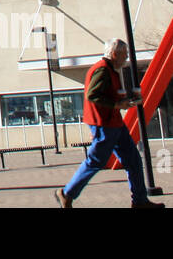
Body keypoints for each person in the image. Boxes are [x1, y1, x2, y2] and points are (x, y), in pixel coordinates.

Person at [56, 39, 164, 209]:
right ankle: (67, 193)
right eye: (124, 54)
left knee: (133, 160)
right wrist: (116, 105)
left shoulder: (111, 70)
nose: (126, 58)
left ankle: (140, 201)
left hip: (114, 123)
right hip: (103, 124)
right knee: (96, 161)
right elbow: (92, 95)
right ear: (114, 54)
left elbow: (106, 95)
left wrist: (124, 101)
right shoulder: (102, 70)